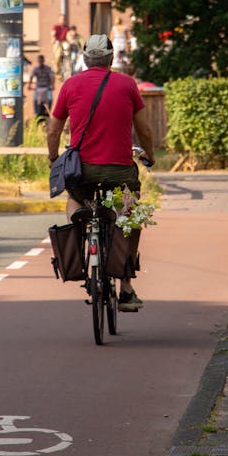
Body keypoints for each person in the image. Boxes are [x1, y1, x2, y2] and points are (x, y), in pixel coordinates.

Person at [47, 34, 155, 312]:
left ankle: (79, 237)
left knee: (75, 198)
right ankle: (127, 288)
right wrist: (150, 156)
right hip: (119, 172)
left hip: (82, 172)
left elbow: (53, 129)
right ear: (110, 59)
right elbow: (144, 129)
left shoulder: (71, 85)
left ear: (84, 59)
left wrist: (53, 158)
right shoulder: (127, 84)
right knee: (129, 215)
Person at [28, 55, 55, 119]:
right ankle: (36, 112)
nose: (40, 62)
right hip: (38, 87)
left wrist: (52, 85)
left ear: (43, 61)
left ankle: (48, 111)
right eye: (39, 61)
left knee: (50, 99)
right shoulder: (36, 69)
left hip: (47, 87)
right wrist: (29, 86)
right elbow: (31, 77)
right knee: (35, 100)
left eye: (41, 61)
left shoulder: (48, 68)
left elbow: (52, 77)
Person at [51, 14, 70, 78]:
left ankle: (68, 68)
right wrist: (53, 38)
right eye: (61, 19)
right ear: (58, 19)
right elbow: (53, 34)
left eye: (63, 19)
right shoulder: (56, 27)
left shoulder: (66, 28)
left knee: (67, 48)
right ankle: (56, 71)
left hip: (64, 42)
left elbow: (68, 36)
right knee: (57, 55)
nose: (63, 20)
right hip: (57, 42)